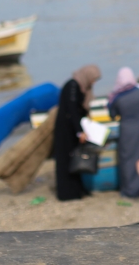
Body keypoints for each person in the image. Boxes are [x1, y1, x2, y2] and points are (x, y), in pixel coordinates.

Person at [108, 67, 139, 198]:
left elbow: (112, 115)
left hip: (127, 129)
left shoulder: (116, 97)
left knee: (128, 159)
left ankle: (130, 189)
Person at [54, 64, 101, 201]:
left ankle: (78, 189)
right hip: (66, 130)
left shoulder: (82, 87)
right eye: (93, 79)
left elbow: (80, 109)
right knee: (66, 160)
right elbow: (72, 110)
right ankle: (67, 193)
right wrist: (80, 132)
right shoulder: (73, 86)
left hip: (73, 128)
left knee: (75, 159)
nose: (93, 82)